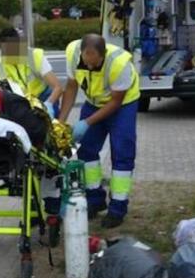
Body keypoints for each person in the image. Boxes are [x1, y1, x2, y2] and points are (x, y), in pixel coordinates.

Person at [58, 34, 141, 229]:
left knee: (122, 154)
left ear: (102, 55)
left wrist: (86, 122)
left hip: (123, 106)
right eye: (86, 63)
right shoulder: (72, 52)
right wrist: (60, 121)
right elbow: (71, 87)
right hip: (93, 102)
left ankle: (118, 208)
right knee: (86, 150)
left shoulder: (119, 64)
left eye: (94, 64)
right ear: (82, 53)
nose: (89, 67)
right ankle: (95, 199)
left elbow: (115, 102)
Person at [0, 28, 63, 117]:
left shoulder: (34, 56)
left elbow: (57, 87)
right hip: (21, 102)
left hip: (42, 97)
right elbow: (4, 98)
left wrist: (48, 105)